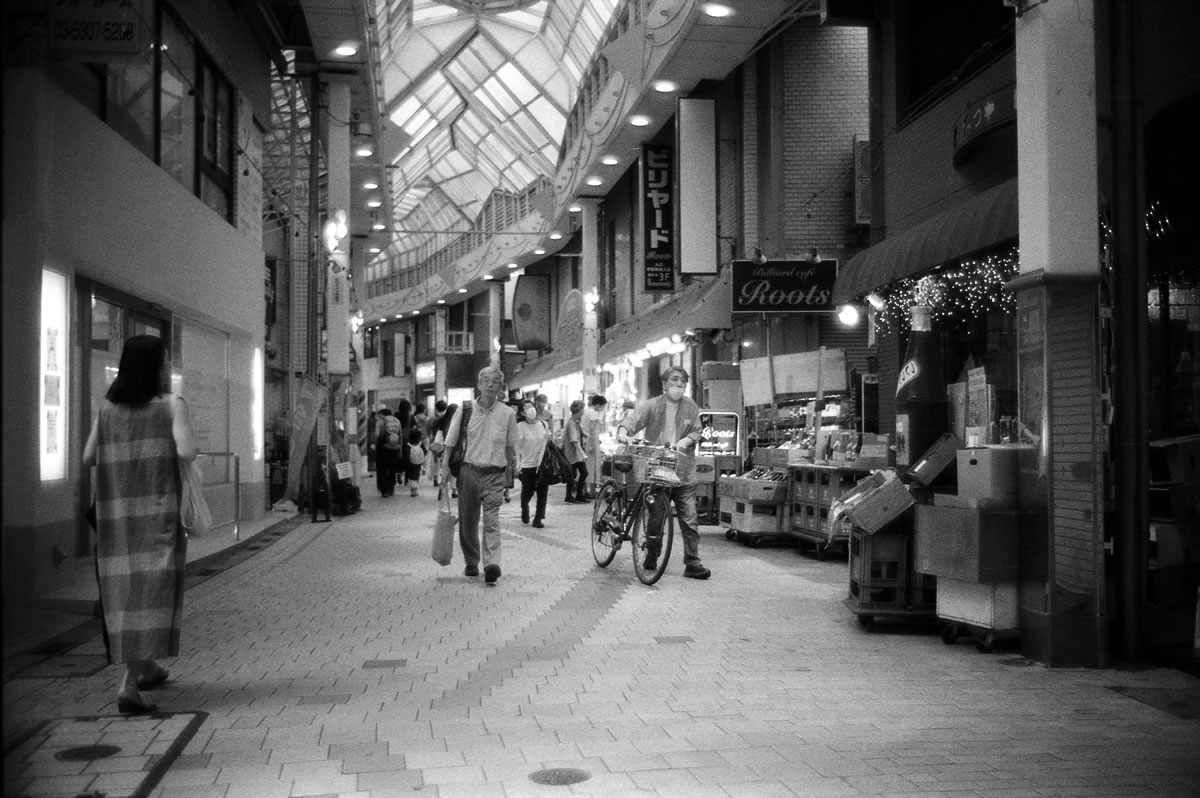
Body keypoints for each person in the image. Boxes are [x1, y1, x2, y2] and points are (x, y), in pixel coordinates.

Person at [82, 334, 198, 714]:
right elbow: (186, 450)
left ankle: (147, 668)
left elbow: (87, 458)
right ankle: (129, 686)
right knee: (151, 593)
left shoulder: (107, 410)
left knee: (126, 593)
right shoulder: (169, 406)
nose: (168, 368)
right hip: (157, 514)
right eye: (166, 362)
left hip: (115, 521)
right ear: (155, 368)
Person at [616, 366, 711, 580]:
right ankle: (652, 554)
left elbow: (697, 429)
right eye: (674, 383)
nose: (678, 387)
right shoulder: (651, 406)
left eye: (682, 384)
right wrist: (623, 433)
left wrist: (686, 441)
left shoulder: (690, 406)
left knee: (690, 518)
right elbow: (632, 422)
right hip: (657, 469)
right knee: (656, 516)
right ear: (664, 385)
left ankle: (693, 562)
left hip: (683, 471)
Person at [441, 366, 518, 585]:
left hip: (494, 474)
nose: (490, 385)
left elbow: (511, 446)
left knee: (492, 520)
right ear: (479, 384)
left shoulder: (508, 414)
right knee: (468, 521)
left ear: (500, 387)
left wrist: (511, 471)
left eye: (495, 382)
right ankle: (471, 561)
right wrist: (445, 467)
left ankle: (492, 563)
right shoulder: (465, 410)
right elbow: (451, 441)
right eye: (486, 381)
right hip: (468, 472)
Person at [516, 398, 551, 528]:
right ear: (522, 413)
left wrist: (549, 439)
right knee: (528, 491)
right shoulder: (520, 427)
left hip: (541, 464)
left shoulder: (543, 424)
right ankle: (524, 507)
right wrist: (518, 464)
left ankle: (538, 518)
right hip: (527, 465)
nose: (530, 409)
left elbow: (546, 442)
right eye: (526, 408)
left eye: (531, 406)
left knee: (543, 491)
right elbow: (517, 447)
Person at [563, 399, 589, 504]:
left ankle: (578, 495)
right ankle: (569, 496)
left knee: (583, 473)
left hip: (576, 453)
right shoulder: (571, 423)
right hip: (572, 453)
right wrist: (583, 453)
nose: (584, 411)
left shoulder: (576, 422)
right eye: (583, 408)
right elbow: (574, 441)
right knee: (572, 475)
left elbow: (582, 434)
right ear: (580, 410)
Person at [584, 394, 608, 497]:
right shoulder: (593, 413)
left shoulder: (586, 411)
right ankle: (592, 491)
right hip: (592, 442)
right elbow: (593, 430)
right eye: (603, 406)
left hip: (585, 441)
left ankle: (585, 490)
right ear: (598, 404)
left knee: (586, 467)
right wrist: (593, 445)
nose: (602, 409)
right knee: (593, 467)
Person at [375, 407, 401, 497]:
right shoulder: (397, 421)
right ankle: (391, 489)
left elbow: (377, 435)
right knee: (392, 468)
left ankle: (384, 491)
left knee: (382, 469)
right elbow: (400, 435)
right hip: (395, 447)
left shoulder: (381, 421)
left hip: (383, 447)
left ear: (382, 414)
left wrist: (375, 445)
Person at [405, 426, 425, 497]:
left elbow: (405, 453)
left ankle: (413, 489)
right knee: (416, 476)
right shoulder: (420, 443)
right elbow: (424, 451)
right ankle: (415, 490)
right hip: (418, 463)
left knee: (411, 476)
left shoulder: (408, 444)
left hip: (410, 462)